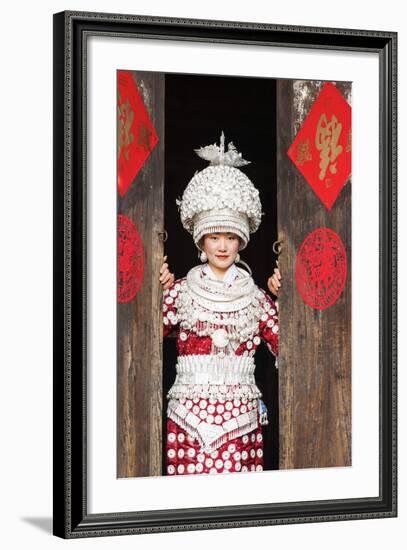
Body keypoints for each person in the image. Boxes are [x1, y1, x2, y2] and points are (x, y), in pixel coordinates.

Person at [160, 133, 281, 476]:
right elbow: (138, 338)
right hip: (186, 422)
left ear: (241, 241)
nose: (223, 247)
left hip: (242, 423)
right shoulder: (181, 291)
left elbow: (293, 348)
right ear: (201, 240)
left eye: (230, 237)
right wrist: (149, 293)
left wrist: (288, 299)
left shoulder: (256, 298)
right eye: (215, 237)